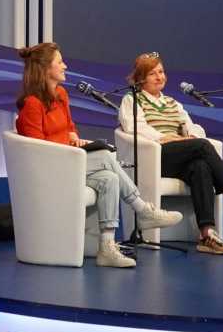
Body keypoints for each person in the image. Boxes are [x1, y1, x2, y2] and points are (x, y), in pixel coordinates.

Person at [15, 43, 182, 268]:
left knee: (109, 179)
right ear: (45, 69)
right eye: (60, 61)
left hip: (69, 161)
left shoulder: (61, 95)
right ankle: (143, 210)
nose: (65, 65)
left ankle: (107, 247)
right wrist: (70, 147)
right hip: (49, 168)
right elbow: (37, 151)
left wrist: (75, 138)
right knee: (104, 156)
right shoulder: (32, 105)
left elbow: (69, 127)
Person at [119, 52, 223, 255]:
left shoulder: (173, 103)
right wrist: (165, 138)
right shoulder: (132, 99)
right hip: (154, 156)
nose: (159, 77)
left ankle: (206, 234)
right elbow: (133, 127)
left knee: (200, 166)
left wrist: (189, 135)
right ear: (140, 78)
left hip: (178, 155)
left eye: (161, 72)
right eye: (152, 73)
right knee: (202, 146)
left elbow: (194, 128)